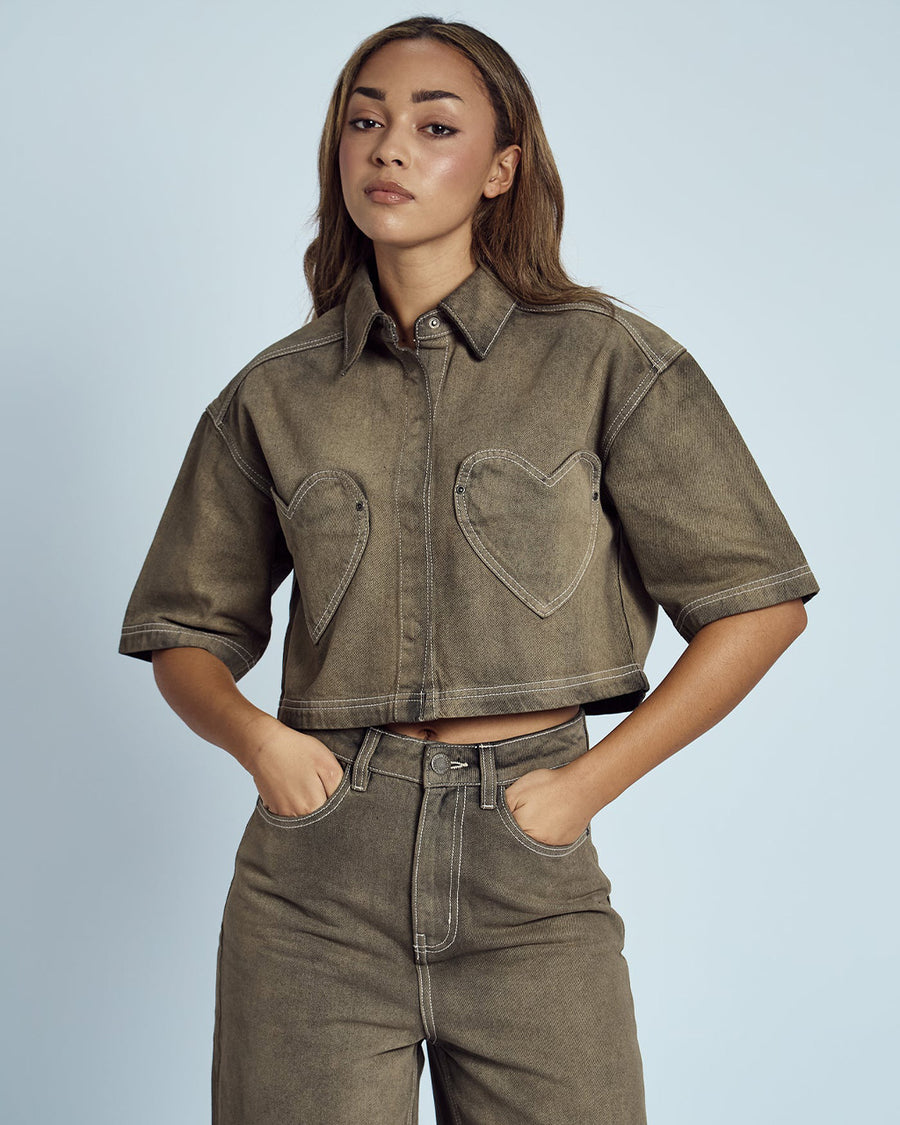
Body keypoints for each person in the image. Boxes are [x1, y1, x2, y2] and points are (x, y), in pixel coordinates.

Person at [118, 15, 819, 1125]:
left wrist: (587, 786)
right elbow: (182, 629)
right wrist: (261, 744)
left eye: (433, 125)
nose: (389, 147)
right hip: (315, 886)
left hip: (529, 876)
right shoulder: (273, 394)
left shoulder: (608, 360)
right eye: (365, 120)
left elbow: (760, 605)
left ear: (502, 169)